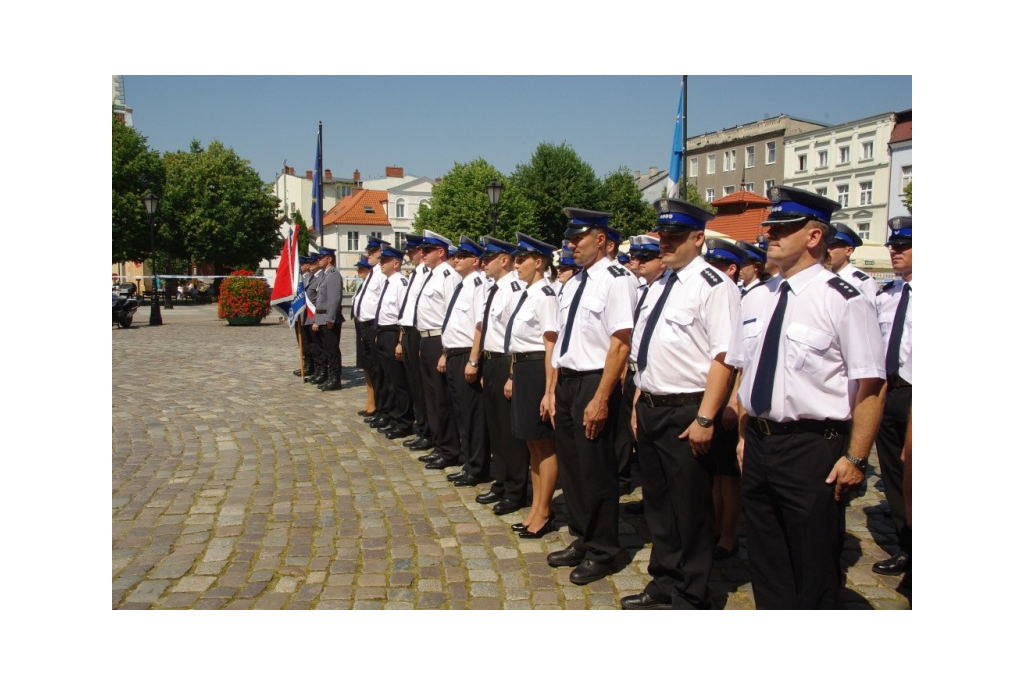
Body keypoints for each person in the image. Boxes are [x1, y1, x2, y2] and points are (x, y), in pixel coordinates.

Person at [723, 185, 885, 609]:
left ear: (813, 237)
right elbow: (748, 372)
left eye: (782, 228)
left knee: (813, 563)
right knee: (766, 556)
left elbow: (871, 385)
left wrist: (856, 458)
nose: (768, 234)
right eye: (770, 226)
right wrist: (743, 434)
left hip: (813, 446)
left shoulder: (843, 300)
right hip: (759, 444)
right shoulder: (758, 296)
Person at [619, 199, 738, 610]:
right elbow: (647, 351)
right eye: (662, 237)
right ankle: (664, 582)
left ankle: (693, 593)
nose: (664, 244)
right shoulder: (658, 286)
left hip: (688, 409)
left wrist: (706, 417)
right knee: (659, 506)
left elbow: (724, 357)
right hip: (651, 404)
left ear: (698, 238)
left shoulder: (713, 286)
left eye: (674, 237)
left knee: (690, 509)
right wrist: (638, 399)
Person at [546, 207, 636, 586]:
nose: (571, 245)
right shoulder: (572, 284)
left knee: (597, 470)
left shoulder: (617, 279)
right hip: (568, 381)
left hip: (594, 382)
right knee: (574, 468)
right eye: (569, 239)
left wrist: (601, 397)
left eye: (577, 238)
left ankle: (604, 549)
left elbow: (620, 342)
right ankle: (584, 536)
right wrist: (553, 389)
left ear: (600, 239)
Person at [466, 236, 531, 515]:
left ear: (503, 260)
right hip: (490, 362)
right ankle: (502, 482)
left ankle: (516, 490)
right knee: (495, 427)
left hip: (507, 361)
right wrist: (478, 362)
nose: (483, 264)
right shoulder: (491, 289)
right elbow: (483, 328)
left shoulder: (515, 288)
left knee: (509, 431)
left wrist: (513, 374)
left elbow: (519, 335)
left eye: (489, 258)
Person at [504, 233, 560, 538]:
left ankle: (545, 511)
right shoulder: (529, 293)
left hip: (539, 369)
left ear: (538, 262)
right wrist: (513, 373)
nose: (516, 264)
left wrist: (549, 390)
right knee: (530, 442)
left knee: (543, 442)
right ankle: (536, 507)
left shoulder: (545, 295)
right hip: (524, 367)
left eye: (521, 259)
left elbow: (550, 344)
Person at [701, 237, 749, 560]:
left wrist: (734, 400)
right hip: (710, 387)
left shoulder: (736, 297)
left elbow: (739, 358)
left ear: (731, 268)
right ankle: (717, 526)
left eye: (718, 265)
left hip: (731, 390)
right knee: (715, 470)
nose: (712, 271)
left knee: (728, 472)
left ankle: (729, 534)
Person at [872, 216, 913, 581]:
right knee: (896, 474)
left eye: (903, 246)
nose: (894, 251)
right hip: (890, 391)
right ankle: (907, 548)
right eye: (893, 246)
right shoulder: (888, 295)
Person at [437, 236, 490, 485]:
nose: (456, 260)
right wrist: (446, 352)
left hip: (467, 354)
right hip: (454, 353)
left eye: (461, 256)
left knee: (472, 415)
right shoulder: (462, 284)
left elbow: (479, 325)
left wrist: (473, 360)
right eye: (455, 256)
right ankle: (469, 461)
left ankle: (477, 467)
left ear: (475, 260)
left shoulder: (477, 283)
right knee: (461, 412)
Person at [413, 230, 463, 470]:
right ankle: (439, 443)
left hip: (439, 339)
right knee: (431, 397)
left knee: (442, 399)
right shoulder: (430, 275)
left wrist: (445, 350)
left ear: (440, 252)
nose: (422, 254)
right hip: (426, 339)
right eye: (422, 250)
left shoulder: (448, 275)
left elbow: (451, 315)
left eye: (427, 250)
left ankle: (450, 450)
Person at [372, 245, 416, 438]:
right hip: (383, 332)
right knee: (386, 378)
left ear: (396, 263)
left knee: (398, 381)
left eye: (385, 261)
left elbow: (402, 316)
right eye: (381, 260)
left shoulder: (400, 283)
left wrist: (399, 341)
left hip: (393, 334)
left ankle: (403, 421)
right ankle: (390, 415)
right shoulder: (388, 282)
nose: (381, 264)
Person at [395, 235, 434, 448]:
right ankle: (422, 428)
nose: (410, 255)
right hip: (409, 330)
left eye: (413, 251)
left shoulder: (426, 274)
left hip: (419, 331)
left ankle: (427, 431)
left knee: (421, 386)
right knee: (414, 384)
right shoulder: (415, 275)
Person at [313, 248, 343, 391]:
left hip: (329, 319)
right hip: (322, 318)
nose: (319, 259)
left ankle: (335, 378)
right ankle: (329, 376)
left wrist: (330, 317)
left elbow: (334, 299)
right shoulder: (325, 275)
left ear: (329, 259)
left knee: (332, 350)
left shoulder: (333, 275)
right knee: (326, 349)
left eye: (321, 257)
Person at [828, 222, 878, 299]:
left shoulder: (863, 282)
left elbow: (873, 309)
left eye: (832, 247)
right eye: (827, 246)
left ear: (848, 251)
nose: (827, 250)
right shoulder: (823, 276)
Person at [303, 252, 326, 385]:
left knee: (318, 347)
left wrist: (319, 318)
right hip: (308, 316)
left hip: (315, 316)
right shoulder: (310, 278)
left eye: (312, 262)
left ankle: (321, 371)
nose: (310, 265)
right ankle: (315, 369)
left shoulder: (322, 277)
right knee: (310, 346)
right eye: (309, 263)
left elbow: (322, 301)